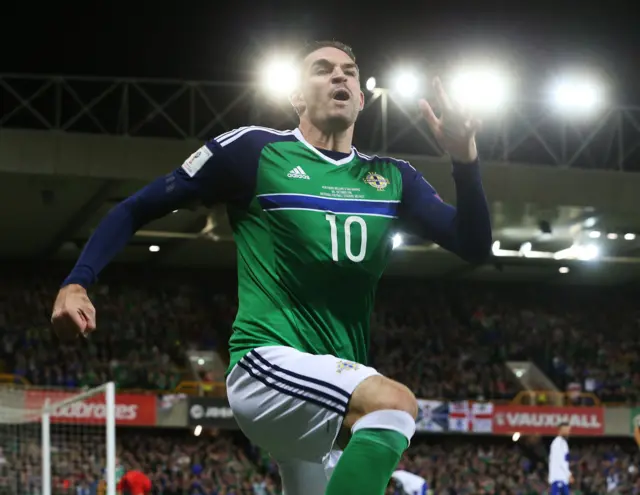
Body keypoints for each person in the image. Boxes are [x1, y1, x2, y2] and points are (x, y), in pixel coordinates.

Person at [51, 40, 492, 495]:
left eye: (349, 72)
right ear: (297, 98)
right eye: (322, 70)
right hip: (265, 368)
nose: (339, 76)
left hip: (330, 388)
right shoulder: (253, 152)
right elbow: (134, 209)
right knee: (394, 405)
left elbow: (475, 246)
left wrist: (465, 161)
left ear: (361, 98)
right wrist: (76, 282)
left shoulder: (394, 178)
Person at [549, 422, 572, 495]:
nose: (569, 432)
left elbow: (566, 460)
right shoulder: (557, 443)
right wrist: (568, 474)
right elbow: (560, 461)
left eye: (569, 430)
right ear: (561, 430)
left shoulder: (564, 443)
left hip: (563, 478)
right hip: (558, 478)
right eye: (567, 430)